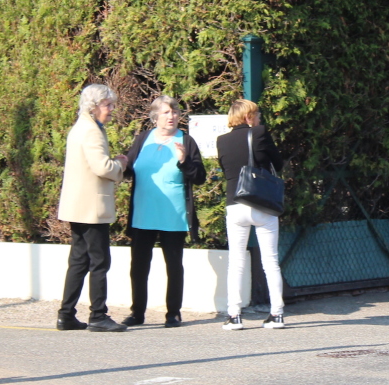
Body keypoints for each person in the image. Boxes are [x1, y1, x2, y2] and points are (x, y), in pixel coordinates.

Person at [121, 96, 207, 328]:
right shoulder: (143, 139)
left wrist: (184, 162)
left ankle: (173, 313)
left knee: (173, 265)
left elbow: (199, 177)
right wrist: (119, 164)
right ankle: (137, 312)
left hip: (173, 215)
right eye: (167, 112)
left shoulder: (186, 141)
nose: (172, 117)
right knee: (138, 266)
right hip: (143, 214)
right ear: (155, 116)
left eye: (175, 112)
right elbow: (128, 169)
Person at [57, 84, 129, 332]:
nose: (111, 110)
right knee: (99, 262)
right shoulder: (91, 131)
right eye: (107, 105)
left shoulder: (80, 127)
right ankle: (98, 315)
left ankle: (66, 314)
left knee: (78, 260)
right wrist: (119, 165)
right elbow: (101, 167)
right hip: (92, 206)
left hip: (79, 206)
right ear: (94, 105)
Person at [216, 99, 286, 330]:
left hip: (235, 203)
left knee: (235, 262)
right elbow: (278, 163)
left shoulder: (222, 141)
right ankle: (276, 314)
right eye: (256, 115)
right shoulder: (260, 134)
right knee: (271, 261)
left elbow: (227, 170)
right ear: (248, 117)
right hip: (262, 203)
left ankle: (234, 316)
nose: (259, 120)